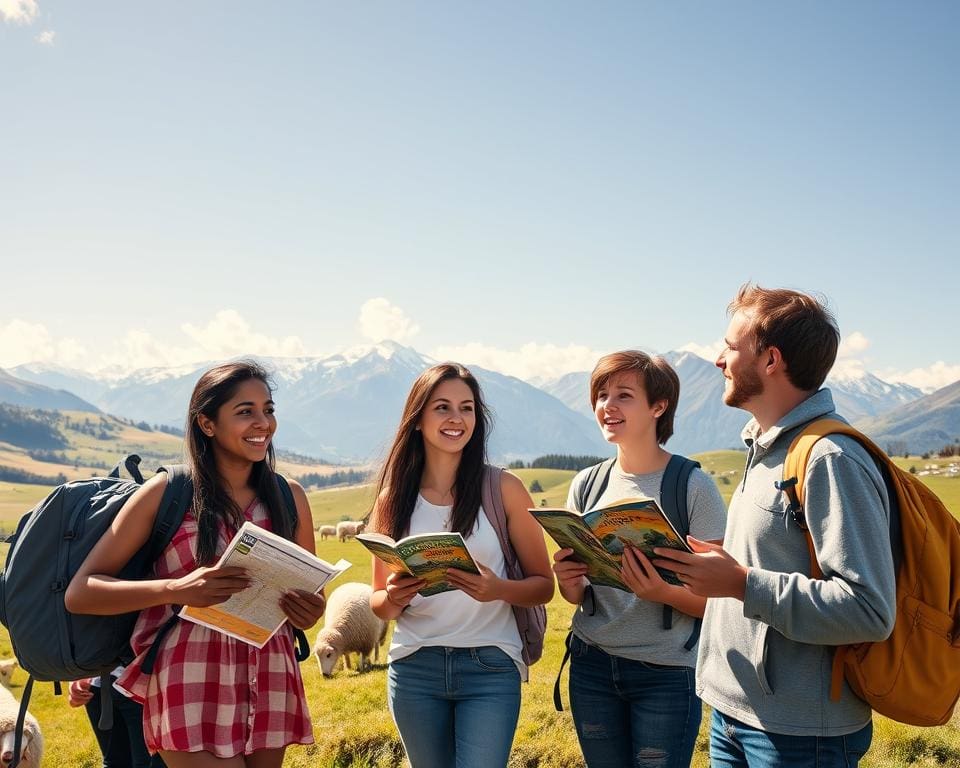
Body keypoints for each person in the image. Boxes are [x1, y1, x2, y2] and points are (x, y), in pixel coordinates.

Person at [653, 284, 897, 767]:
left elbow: (870, 610)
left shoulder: (830, 458)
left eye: (730, 346)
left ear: (771, 360)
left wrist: (740, 583)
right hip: (734, 713)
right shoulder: (765, 448)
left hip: (801, 733)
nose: (718, 359)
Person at [65, 360, 325, 768]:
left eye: (268, 409)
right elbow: (81, 592)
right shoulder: (168, 492)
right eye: (246, 412)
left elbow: (311, 597)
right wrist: (179, 589)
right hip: (190, 679)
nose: (263, 423)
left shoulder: (289, 496)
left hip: (272, 675)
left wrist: (311, 611)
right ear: (207, 424)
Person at [369, 362, 554, 768]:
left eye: (467, 408)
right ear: (417, 419)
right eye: (442, 407)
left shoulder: (503, 488)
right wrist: (395, 597)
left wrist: (499, 589)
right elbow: (378, 603)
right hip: (414, 666)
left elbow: (544, 586)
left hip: (489, 665)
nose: (456, 419)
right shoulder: (392, 499)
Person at [552, 350, 727, 768]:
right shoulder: (586, 485)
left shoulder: (693, 488)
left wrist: (661, 592)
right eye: (601, 395)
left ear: (658, 406)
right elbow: (577, 597)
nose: (607, 406)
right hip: (591, 664)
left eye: (624, 395)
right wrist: (568, 580)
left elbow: (721, 604)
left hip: (665, 672)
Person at [68, 672, 166, 768]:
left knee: (148, 761)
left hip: (139, 683)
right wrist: (75, 676)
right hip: (98, 685)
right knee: (116, 762)